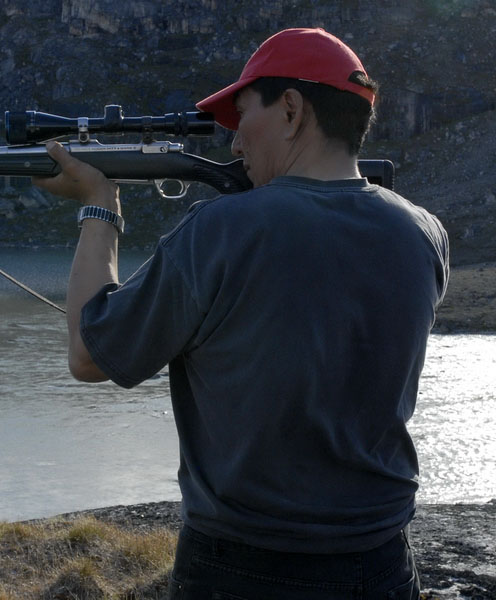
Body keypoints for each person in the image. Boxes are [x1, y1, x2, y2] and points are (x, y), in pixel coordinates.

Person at [33, 28, 449, 599]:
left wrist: (99, 207)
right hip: (381, 562)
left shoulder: (221, 230)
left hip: (239, 569)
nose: (233, 145)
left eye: (242, 114)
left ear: (291, 109)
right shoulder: (425, 234)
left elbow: (88, 354)